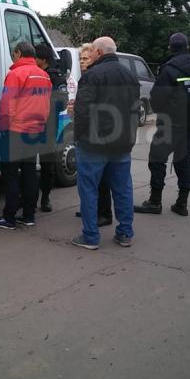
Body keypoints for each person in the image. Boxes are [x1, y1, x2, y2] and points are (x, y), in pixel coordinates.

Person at [71, 36, 140, 250]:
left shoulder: (92, 75)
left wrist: (78, 137)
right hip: (122, 143)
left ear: (99, 52)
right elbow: (135, 111)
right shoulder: (130, 76)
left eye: (92, 51)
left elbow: (82, 111)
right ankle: (125, 233)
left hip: (93, 144)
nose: (90, 54)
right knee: (122, 189)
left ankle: (91, 236)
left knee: (89, 190)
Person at [135, 32, 190, 217]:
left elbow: (156, 98)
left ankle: (155, 202)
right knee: (183, 161)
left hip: (170, 123)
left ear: (170, 47)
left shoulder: (169, 69)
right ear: (187, 47)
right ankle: (182, 204)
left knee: (157, 159)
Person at [0, 41, 51, 230]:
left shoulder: (16, 74)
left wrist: (2, 128)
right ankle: (29, 215)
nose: (13, 57)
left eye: (14, 53)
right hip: (35, 131)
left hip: (15, 131)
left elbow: (7, 105)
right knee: (30, 173)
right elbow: (46, 104)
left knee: (11, 175)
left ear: (18, 53)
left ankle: (9, 217)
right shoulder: (44, 75)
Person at [71, 42, 113, 227]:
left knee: (100, 179)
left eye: (86, 58)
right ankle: (90, 209)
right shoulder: (84, 77)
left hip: (96, 136)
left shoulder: (94, 77)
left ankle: (103, 213)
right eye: (80, 59)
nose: (82, 61)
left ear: (95, 58)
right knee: (89, 179)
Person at [34, 43, 69, 212]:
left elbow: (62, 102)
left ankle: (46, 197)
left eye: (35, 57)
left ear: (43, 59)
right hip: (31, 124)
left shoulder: (55, 76)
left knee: (47, 164)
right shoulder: (32, 74)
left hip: (48, 125)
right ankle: (28, 198)